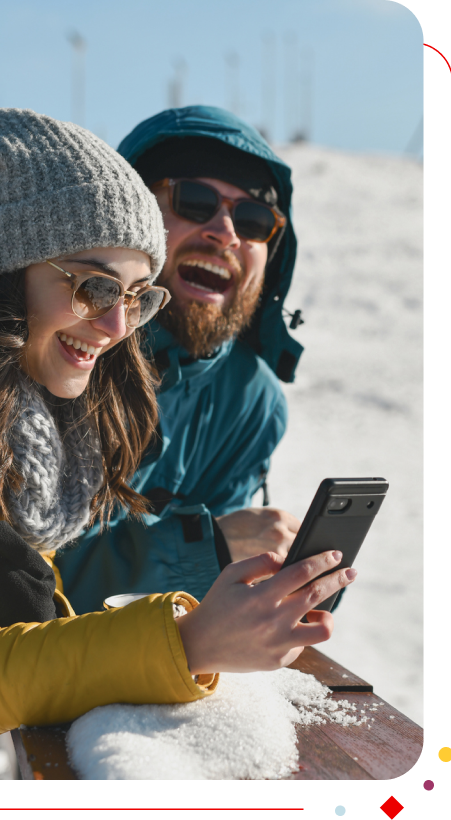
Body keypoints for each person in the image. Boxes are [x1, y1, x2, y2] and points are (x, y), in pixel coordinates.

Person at [0, 108, 355, 780]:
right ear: (7, 270)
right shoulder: (49, 365)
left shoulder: (60, 366)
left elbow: (21, 582)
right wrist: (191, 618)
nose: (116, 324)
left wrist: (244, 603)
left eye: (255, 221)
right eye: (197, 200)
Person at [56, 106, 332, 615]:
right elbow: (13, 586)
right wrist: (211, 549)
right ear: (127, 213)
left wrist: (274, 582)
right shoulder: (61, 348)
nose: (226, 233)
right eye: (196, 201)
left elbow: (199, 607)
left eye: (253, 220)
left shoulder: (251, 399)